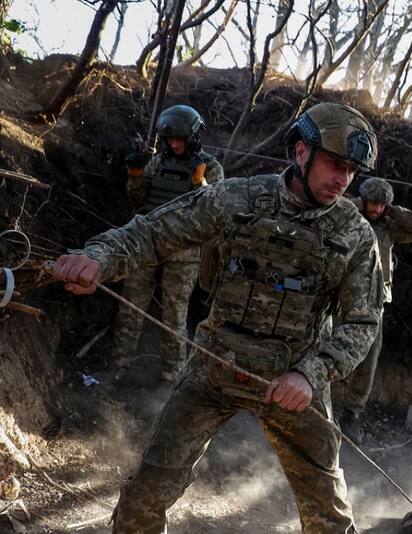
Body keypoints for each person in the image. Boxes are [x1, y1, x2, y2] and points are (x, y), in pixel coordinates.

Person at [52, 102, 384, 533]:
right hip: (214, 369)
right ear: (301, 151)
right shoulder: (239, 197)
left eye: (352, 170)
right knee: (145, 495)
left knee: (330, 517)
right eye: (335, 163)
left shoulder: (355, 233)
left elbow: (363, 322)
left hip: (292, 383)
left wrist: (311, 374)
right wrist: (97, 257)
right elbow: (153, 231)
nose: (343, 179)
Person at [115, 104, 225, 380]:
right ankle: (119, 365)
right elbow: (138, 202)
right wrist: (136, 177)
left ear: (194, 137)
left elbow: (216, 210)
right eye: (170, 139)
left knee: (174, 315)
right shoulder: (158, 161)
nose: (175, 145)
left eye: (180, 139)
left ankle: (171, 376)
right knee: (130, 305)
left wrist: (201, 183)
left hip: (184, 250)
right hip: (149, 242)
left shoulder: (210, 167)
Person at [338, 177, 412, 443]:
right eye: (372, 204)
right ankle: (321, 402)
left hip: (375, 302)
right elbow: (334, 208)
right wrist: (357, 204)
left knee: (369, 359)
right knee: (327, 344)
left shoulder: (390, 229)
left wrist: (394, 211)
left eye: (381, 205)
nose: (376, 210)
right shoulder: (350, 218)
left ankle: (352, 414)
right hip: (342, 295)